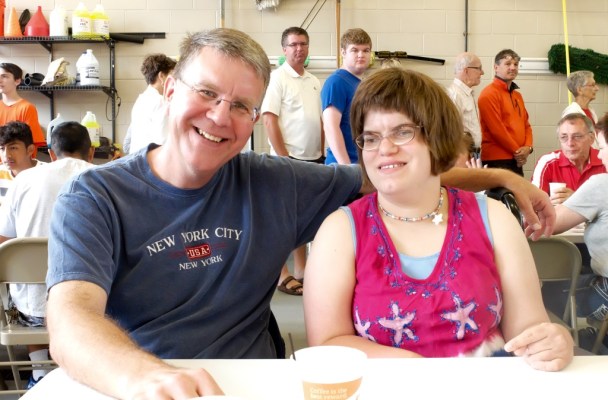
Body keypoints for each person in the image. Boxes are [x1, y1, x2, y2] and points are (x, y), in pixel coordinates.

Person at [45, 28, 556, 400]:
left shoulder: (273, 182)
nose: (220, 116)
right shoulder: (96, 196)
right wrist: (144, 377)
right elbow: (70, 322)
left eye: (241, 106)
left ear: (255, 119)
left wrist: (503, 179)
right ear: (170, 89)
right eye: (207, 93)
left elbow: (396, 173)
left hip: (256, 384)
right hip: (135, 383)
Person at [304, 67, 572, 372]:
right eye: (371, 138)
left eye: (402, 132)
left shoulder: (494, 219)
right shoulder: (340, 230)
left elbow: (527, 330)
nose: (385, 149)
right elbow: (327, 342)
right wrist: (424, 373)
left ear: (436, 137)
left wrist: (551, 341)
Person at [0, 121, 94, 388]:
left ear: (51, 154)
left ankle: (40, 371)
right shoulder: (109, 178)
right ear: (91, 153)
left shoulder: (24, 179)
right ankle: (81, 375)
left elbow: (3, 241)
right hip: (96, 310)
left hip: (35, 315)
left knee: (33, 291)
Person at [261, 26, 324, 295]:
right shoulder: (278, 78)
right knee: (283, 220)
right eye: (294, 44)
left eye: (303, 44)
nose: (299, 49)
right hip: (288, 160)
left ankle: (301, 269)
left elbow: (320, 120)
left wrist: (322, 151)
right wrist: (284, 158)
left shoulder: (313, 80)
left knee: (304, 218)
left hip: (313, 158)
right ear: (284, 50)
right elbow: (269, 119)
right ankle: (281, 274)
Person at [545, 112, 608, 345]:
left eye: (603, 147)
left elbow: (550, 224)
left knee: (548, 293)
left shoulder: (602, 184)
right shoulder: (549, 162)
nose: (600, 154)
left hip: (606, 292)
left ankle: (581, 345)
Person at [478, 49, 533, 176]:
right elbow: (497, 130)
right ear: (496, 67)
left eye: (515, 64)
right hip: (496, 160)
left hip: (516, 158)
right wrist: (519, 152)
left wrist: (528, 148)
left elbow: (526, 125)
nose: (513, 67)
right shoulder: (488, 94)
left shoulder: (517, 96)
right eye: (508, 64)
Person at [322, 28, 372, 165]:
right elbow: (331, 127)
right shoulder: (336, 82)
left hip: (359, 164)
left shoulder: (360, 84)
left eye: (366, 50)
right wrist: (346, 167)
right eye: (355, 50)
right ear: (343, 52)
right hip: (343, 166)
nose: (361, 55)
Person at [531, 113, 605, 205]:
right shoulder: (548, 163)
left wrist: (577, 199)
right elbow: (533, 204)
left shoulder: (604, 160)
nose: (570, 143)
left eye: (577, 136)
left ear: (591, 138)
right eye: (564, 137)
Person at [123, 54, 177, 154]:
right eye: (172, 76)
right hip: (151, 160)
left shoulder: (141, 99)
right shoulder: (160, 102)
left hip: (138, 159)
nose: (174, 82)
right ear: (161, 76)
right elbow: (163, 144)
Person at [0, 63, 46, 156]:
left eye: (4, 76)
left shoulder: (27, 108)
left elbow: (31, 146)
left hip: (17, 163)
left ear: (17, 81)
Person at [447, 52, 484, 154]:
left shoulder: (465, 93)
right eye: (479, 68)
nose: (482, 72)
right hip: (463, 154)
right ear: (466, 70)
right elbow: (451, 131)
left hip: (472, 153)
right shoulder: (455, 95)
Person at [0, 121, 44, 200]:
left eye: (13, 148)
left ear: (30, 150)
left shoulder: (46, 173)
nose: (6, 155)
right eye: (2, 148)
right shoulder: (1, 173)